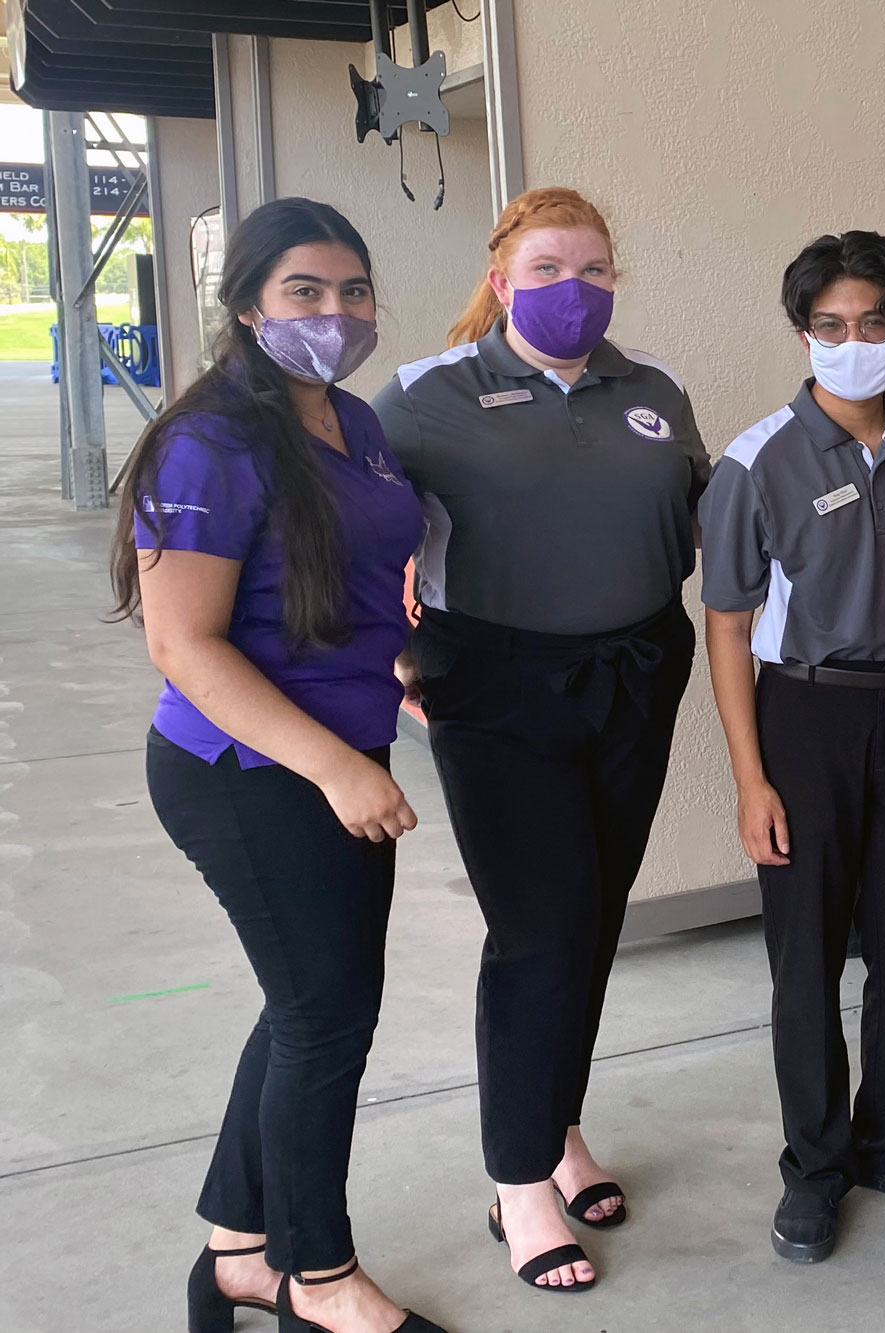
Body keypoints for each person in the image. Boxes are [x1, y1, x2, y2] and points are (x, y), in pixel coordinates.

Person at [371, 187, 710, 1294]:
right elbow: (358, 528)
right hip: (498, 688)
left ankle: (557, 1130)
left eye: (597, 269)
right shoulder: (427, 396)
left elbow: (694, 514)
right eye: (552, 267)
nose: (577, 289)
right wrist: (383, 649)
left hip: (637, 671)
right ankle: (518, 1180)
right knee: (539, 930)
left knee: (594, 914)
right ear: (503, 274)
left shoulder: (650, 387)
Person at [116, 197, 443, 1333]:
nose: (336, 311)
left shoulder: (352, 420)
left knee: (307, 1004)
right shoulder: (211, 440)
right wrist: (338, 769)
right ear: (248, 303)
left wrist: (393, 676)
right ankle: (320, 1272)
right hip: (246, 768)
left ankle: (239, 1248)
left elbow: (350, 589)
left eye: (353, 290)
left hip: (337, 742)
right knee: (327, 1013)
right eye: (306, 290)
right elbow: (184, 642)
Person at [700, 231, 885, 1264]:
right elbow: (725, 624)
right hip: (803, 721)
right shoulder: (754, 459)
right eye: (829, 326)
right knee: (805, 960)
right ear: (803, 332)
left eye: (871, 325)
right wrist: (750, 777)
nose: (851, 343)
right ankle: (814, 1166)